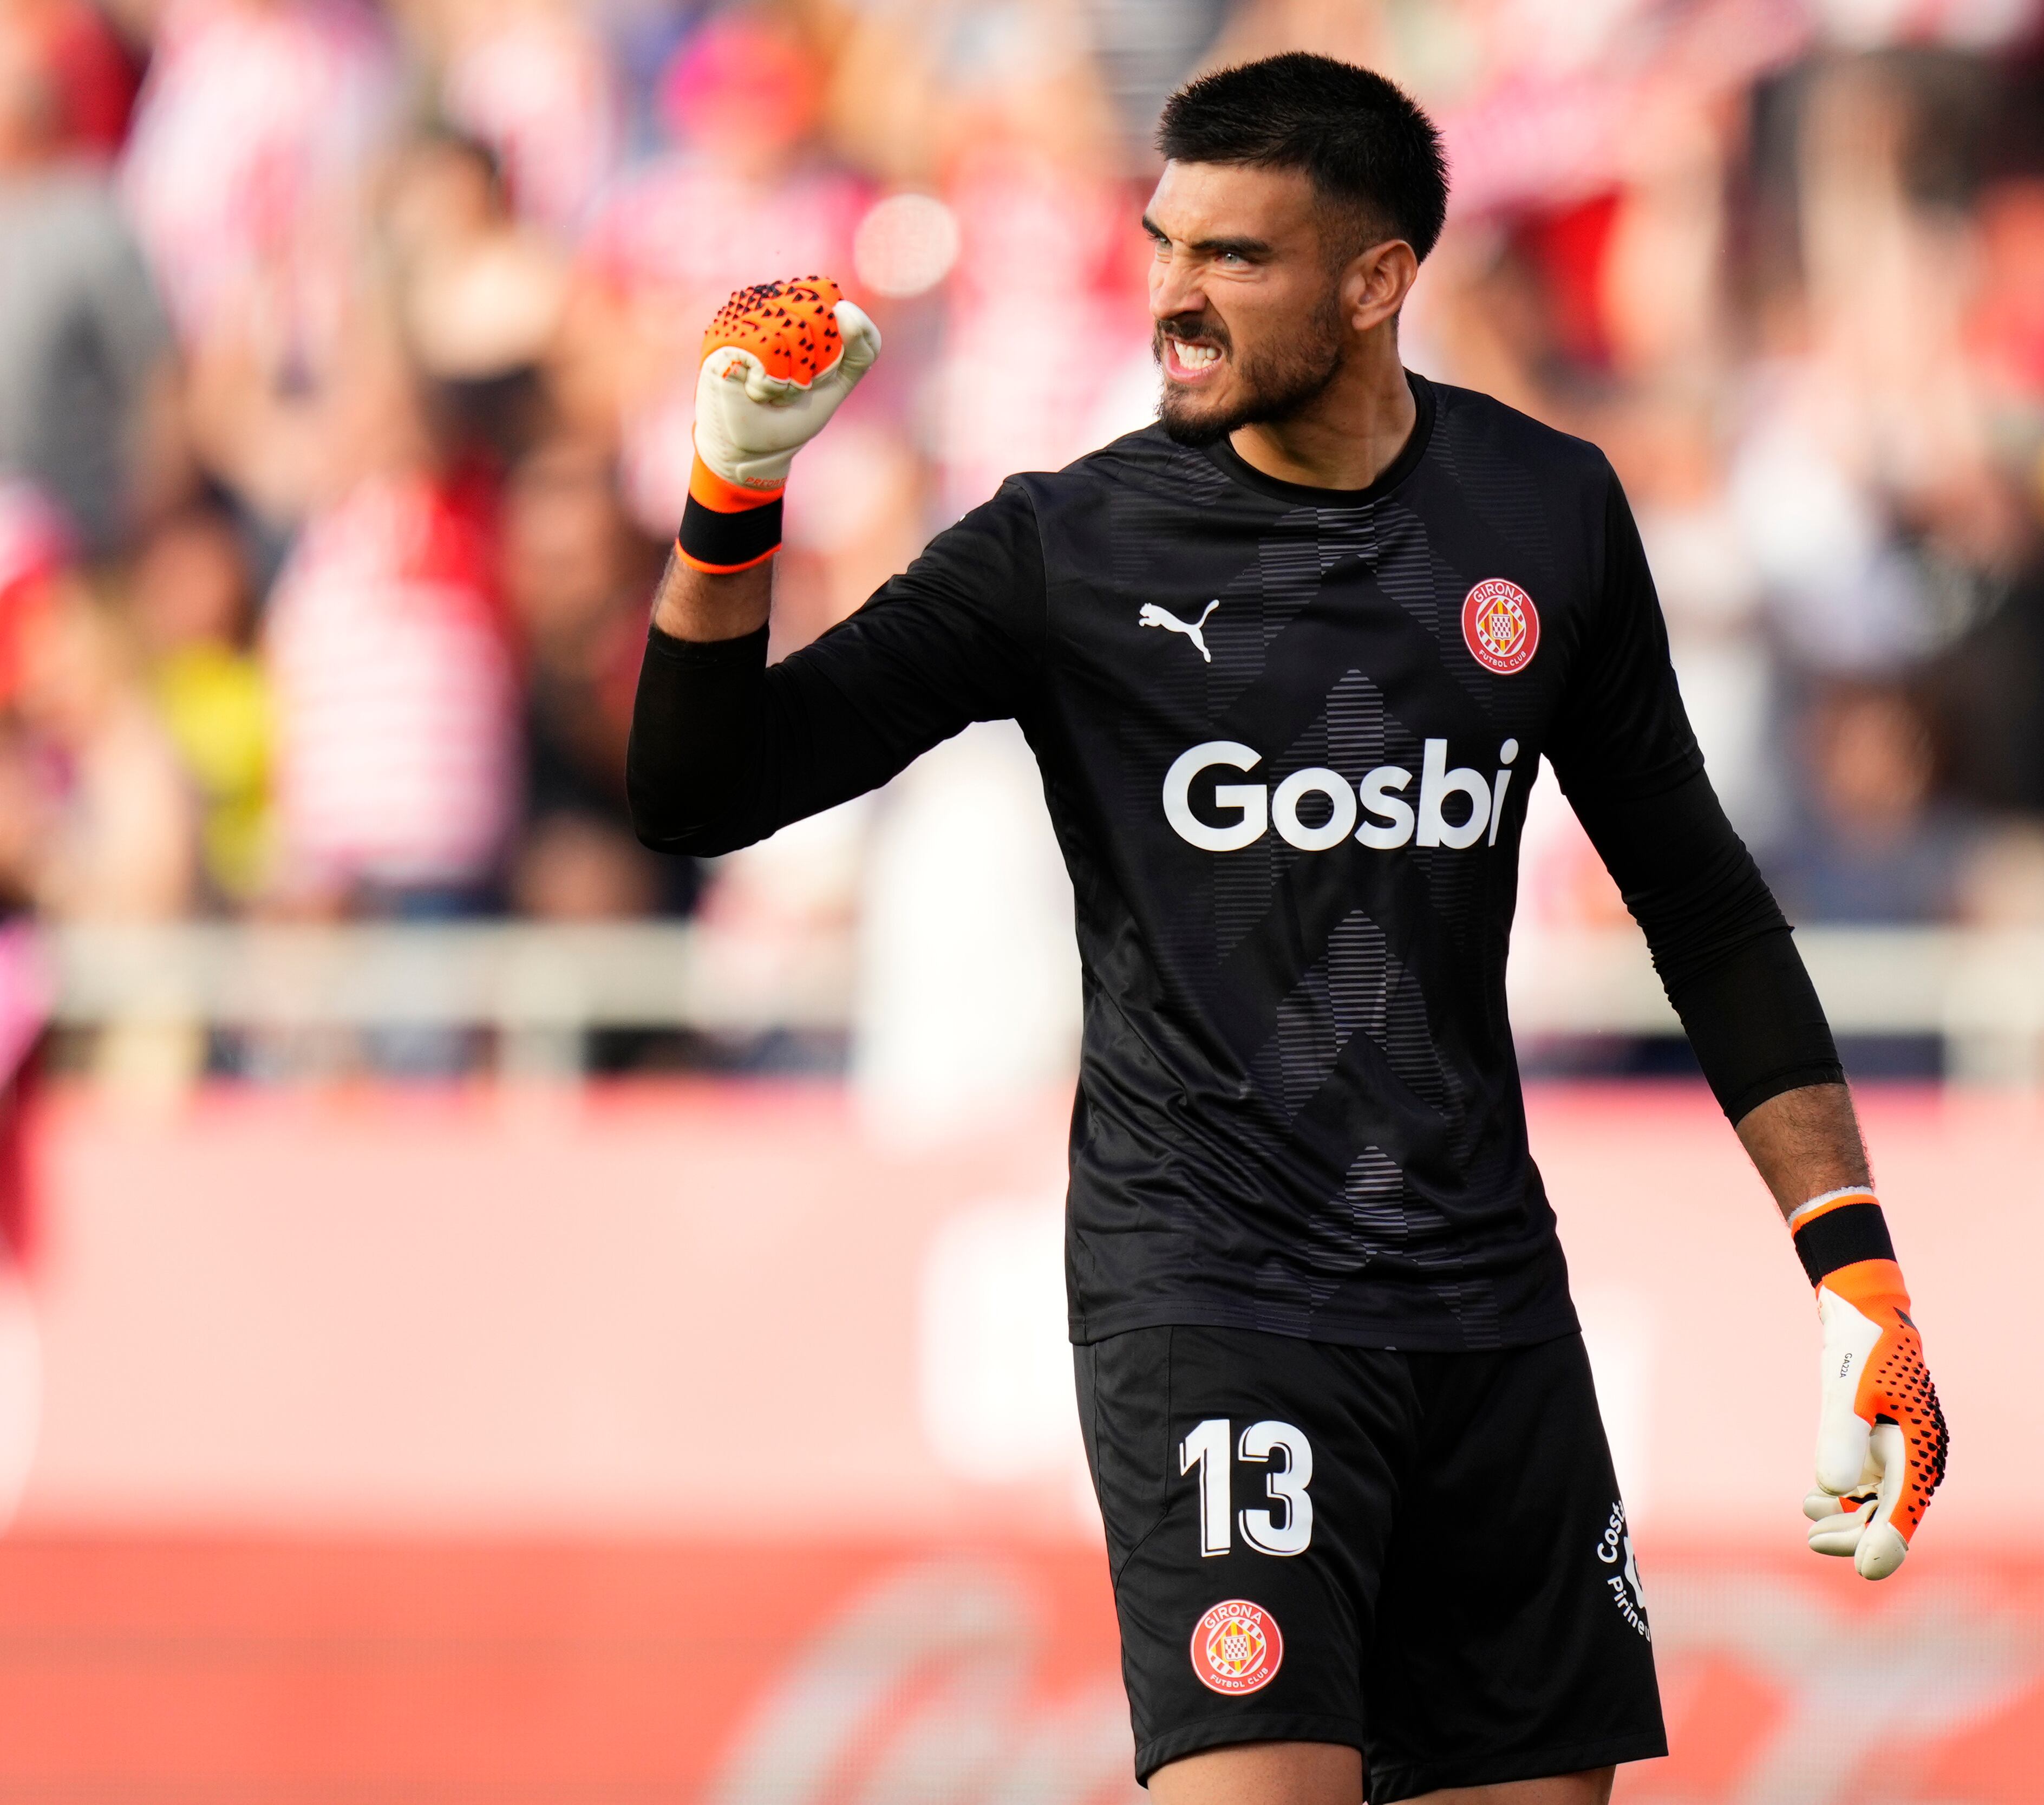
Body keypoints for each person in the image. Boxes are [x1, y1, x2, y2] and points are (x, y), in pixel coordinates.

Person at [626, 54, 1946, 1804]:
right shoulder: (1071, 545)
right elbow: (705, 791)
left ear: (1379, 280)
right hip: (1216, 1304)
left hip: (1490, 1309)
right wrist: (731, 504)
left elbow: (1701, 903)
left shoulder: (1544, 517)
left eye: (1235, 259)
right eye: (1166, 242)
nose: (1174, 295)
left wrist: (1853, 1268)